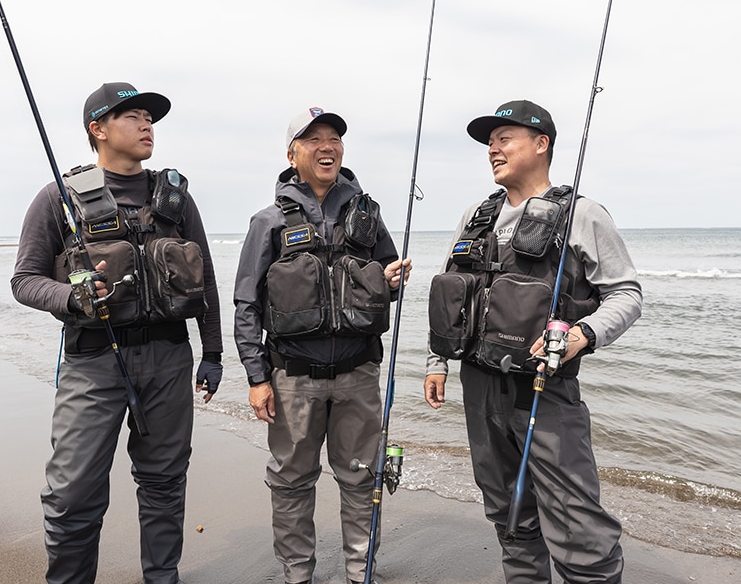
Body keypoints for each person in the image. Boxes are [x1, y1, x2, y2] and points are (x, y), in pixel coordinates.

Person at [11, 82, 223, 584]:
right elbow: (25, 280)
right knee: (72, 495)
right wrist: (71, 297)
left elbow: (206, 279)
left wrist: (211, 353)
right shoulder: (57, 199)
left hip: (170, 359)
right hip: (93, 363)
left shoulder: (175, 198)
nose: (147, 124)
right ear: (98, 129)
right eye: (132, 116)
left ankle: (162, 578)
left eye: (150, 116)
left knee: (165, 484)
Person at [424, 100, 642, 583]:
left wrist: (583, 335)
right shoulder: (475, 215)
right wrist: (436, 362)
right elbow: (451, 294)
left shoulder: (581, 214)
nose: (493, 149)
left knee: (577, 525)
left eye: (505, 138)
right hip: (479, 388)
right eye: (490, 142)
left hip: (545, 392)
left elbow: (626, 293)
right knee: (509, 516)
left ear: (541, 144)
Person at [234, 107, 411, 584]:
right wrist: (256, 378)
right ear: (293, 155)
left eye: (334, 137)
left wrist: (392, 280)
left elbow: (390, 281)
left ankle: (360, 572)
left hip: (359, 374)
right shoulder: (267, 221)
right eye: (313, 139)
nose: (327, 145)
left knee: (361, 477)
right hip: (292, 377)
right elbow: (246, 303)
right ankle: (297, 575)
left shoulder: (367, 217)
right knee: (291, 483)